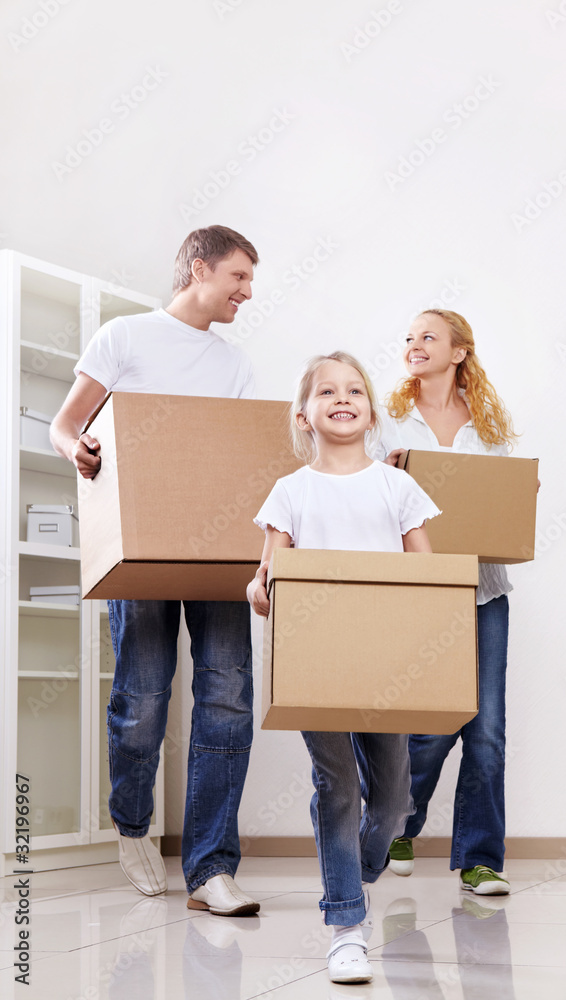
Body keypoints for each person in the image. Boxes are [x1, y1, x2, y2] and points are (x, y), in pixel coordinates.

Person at [50, 225, 261, 916]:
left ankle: (210, 868)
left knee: (227, 697)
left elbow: (231, 458)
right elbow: (64, 423)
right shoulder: (124, 338)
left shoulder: (233, 365)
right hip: (140, 543)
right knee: (142, 699)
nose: (246, 293)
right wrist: (76, 448)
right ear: (198, 269)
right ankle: (134, 826)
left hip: (218, 549)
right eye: (238, 277)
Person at [247, 352, 440, 984]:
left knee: (393, 801)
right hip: (315, 659)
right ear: (304, 414)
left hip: (385, 662)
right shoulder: (291, 490)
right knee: (336, 789)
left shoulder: (398, 487)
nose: (343, 398)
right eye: (326, 391)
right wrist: (259, 587)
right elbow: (269, 568)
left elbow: (428, 575)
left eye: (355, 390)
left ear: (371, 410)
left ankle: (350, 873)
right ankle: (345, 925)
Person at [377, 308, 525, 896]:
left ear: (459, 351)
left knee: (487, 731)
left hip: (484, 591)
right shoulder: (388, 424)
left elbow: (508, 503)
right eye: (408, 336)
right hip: (420, 591)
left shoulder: (489, 427)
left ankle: (480, 859)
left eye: (428, 337)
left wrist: (520, 496)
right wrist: (377, 477)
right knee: (433, 727)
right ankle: (398, 824)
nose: (414, 344)